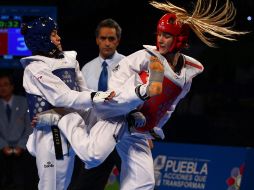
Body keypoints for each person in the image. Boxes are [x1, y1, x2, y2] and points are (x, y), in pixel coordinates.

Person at [44, 0, 247, 189]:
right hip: (117, 112)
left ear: (180, 40)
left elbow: (168, 106)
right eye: (159, 34)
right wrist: (130, 108)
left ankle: (140, 99)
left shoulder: (187, 75)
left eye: (166, 35)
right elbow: (118, 76)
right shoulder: (147, 56)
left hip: (138, 128)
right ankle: (66, 117)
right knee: (93, 156)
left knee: (143, 182)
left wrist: (153, 128)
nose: (160, 39)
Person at [20, 16, 160, 190]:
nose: (58, 38)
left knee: (64, 182)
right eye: (53, 35)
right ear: (42, 39)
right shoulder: (35, 68)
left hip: (72, 127)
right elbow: (61, 97)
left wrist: (101, 99)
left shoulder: (70, 60)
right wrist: (98, 96)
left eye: (57, 34)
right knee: (52, 185)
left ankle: (135, 126)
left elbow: (83, 94)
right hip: (50, 132)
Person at [68, 18, 124, 190]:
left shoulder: (128, 64)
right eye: (103, 38)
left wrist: (145, 133)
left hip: (123, 134)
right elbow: (81, 103)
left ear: (118, 41)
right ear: (97, 40)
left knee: (136, 183)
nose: (107, 43)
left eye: (111, 39)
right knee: (86, 185)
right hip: (95, 135)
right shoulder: (86, 69)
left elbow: (139, 102)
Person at [0, 74, 37, 189]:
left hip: (23, 147)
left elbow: (30, 127)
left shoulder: (24, 102)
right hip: (2, 148)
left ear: (12, 87)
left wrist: (21, 145)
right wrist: (3, 145)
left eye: (5, 85)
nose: (2, 88)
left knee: (24, 179)